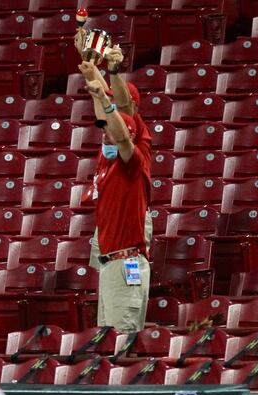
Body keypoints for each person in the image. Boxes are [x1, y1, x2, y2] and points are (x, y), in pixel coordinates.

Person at [81, 73, 153, 333]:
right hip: (110, 263)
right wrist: (92, 78)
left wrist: (111, 74)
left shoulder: (134, 155)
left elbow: (122, 131)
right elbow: (106, 118)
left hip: (126, 260)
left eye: (110, 128)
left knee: (121, 343)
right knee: (108, 341)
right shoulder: (107, 161)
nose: (104, 133)